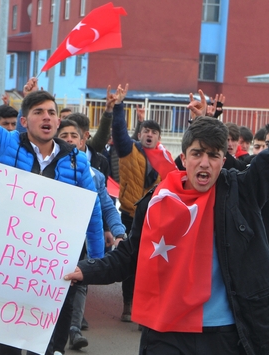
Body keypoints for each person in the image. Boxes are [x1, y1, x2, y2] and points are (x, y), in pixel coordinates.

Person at [65, 107, 269, 355]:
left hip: (225, 334)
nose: (204, 162)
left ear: (223, 161)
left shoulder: (243, 191)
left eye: (213, 155)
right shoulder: (156, 201)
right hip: (167, 332)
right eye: (197, 153)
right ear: (184, 159)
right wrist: (85, 270)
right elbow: (131, 255)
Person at [0, 38, 104, 355]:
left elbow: (92, 212)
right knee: (9, 343)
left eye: (52, 112)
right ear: (25, 121)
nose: (47, 117)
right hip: (13, 267)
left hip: (57, 269)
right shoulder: (5, 144)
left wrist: (95, 264)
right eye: (39, 112)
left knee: (51, 346)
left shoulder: (77, 161)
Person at [110, 84, 176, 322]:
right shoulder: (128, 151)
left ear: (159, 137)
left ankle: (143, 308)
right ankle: (128, 304)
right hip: (129, 215)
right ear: (139, 134)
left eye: (154, 132)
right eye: (146, 130)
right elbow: (118, 131)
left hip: (154, 219)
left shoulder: (166, 160)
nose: (149, 134)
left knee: (151, 264)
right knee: (130, 260)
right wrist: (119, 106)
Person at [57, 119, 125, 351]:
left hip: (78, 240)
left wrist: (118, 232)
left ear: (83, 139)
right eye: (63, 135)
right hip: (46, 240)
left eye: (73, 135)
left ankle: (74, 330)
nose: (68, 139)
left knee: (78, 281)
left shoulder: (95, 175)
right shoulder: (46, 168)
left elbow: (107, 207)